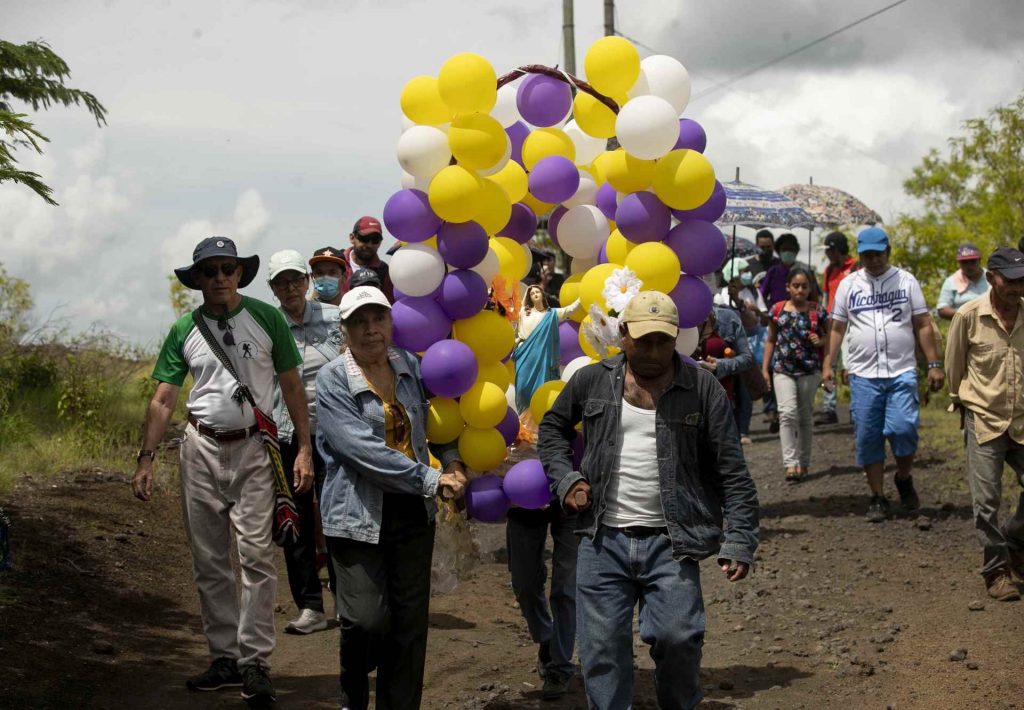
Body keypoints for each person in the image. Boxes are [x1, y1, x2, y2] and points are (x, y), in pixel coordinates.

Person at [537, 291, 759, 710]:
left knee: (679, 639)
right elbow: (551, 431)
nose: (654, 351)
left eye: (663, 340)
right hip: (603, 539)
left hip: (672, 543)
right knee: (602, 655)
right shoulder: (591, 380)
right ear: (623, 335)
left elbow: (733, 470)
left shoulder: (702, 389)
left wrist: (740, 538)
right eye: (644, 341)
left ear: (677, 337)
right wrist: (567, 481)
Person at [131, 237, 313, 705]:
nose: (218, 278)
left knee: (255, 555)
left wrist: (304, 449)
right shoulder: (184, 329)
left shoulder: (266, 318)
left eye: (226, 268)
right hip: (199, 449)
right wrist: (146, 458)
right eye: (209, 270)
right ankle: (224, 658)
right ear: (197, 279)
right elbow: (164, 397)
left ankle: (255, 662)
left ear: (239, 272)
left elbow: (292, 386)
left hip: (254, 448)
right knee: (209, 560)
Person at [316, 286, 467, 710]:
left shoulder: (413, 367)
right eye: (358, 322)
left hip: (412, 513)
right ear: (343, 329)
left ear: (390, 322)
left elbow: (443, 422)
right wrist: (432, 480)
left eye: (378, 319)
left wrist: (453, 462)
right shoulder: (332, 380)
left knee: (408, 626)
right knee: (366, 620)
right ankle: (354, 693)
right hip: (356, 513)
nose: (370, 330)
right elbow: (359, 450)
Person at [822, 227, 945, 523]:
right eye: (867, 255)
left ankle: (903, 477)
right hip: (863, 374)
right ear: (860, 256)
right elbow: (837, 328)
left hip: (901, 370)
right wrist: (829, 363)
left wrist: (934, 363)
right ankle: (877, 496)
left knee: (904, 430)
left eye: (878, 254)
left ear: (888, 251)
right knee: (868, 437)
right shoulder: (849, 285)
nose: (874, 260)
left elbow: (923, 323)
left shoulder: (906, 281)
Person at [267, 250, 343, 634]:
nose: (290, 288)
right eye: (282, 282)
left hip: (337, 433)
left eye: (296, 280)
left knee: (340, 516)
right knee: (295, 519)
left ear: (307, 281)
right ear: (272, 289)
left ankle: (347, 600)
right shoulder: (266, 326)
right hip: (287, 435)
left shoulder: (335, 318)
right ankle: (311, 606)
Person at [945, 246, 1024, 601]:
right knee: (986, 502)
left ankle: (1017, 540)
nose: (1016, 287)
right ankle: (996, 572)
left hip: (1022, 420)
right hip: (985, 419)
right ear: (993, 278)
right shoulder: (968, 316)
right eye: (1010, 279)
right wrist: (960, 404)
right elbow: (954, 366)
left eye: (1022, 280)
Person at [762, 268, 829, 482]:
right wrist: (765, 368)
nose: (800, 290)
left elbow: (829, 337)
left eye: (804, 286)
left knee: (805, 416)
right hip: (783, 369)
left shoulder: (817, 311)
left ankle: (804, 462)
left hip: (809, 370)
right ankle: (790, 464)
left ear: (810, 288)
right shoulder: (777, 310)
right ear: (788, 287)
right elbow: (771, 339)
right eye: (796, 286)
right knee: (787, 414)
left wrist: (821, 341)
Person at [512, 284, 581, 413]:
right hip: (524, 354)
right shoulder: (523, 313)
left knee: (540, 386)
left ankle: (537, 417)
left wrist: (582, 296)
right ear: (529, 297)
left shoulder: (552, 314)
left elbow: (570, 310)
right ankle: (523, 419)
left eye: (537, 292)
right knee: (522, 388)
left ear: (543, 295)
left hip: (542, 356)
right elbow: (511, 319)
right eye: (532, 293)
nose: (535, 295)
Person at [816, 231, 859, 425]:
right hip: (833, 322)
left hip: (852, 322)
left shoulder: (856, 267)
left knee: (850, 365)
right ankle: (829, 407)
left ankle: (855, 408)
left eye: (831, 250)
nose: (828, 255)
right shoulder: (829, 270)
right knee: (830, 363)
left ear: (839, 249)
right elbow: (826, 296)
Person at [345, 216, 394, 302]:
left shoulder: (385, 272)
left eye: (375, 240)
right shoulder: (337, 262)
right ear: (352, 238)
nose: (369, 245)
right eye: (364, 239)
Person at [937, 243, 989, 320]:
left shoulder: (991, 278)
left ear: (979, 260)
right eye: (964, 262)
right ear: (959, 263)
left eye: (972, 261)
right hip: (964, 327)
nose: (969, 266)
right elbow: (942, 309)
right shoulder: (951, 281)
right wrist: (966, 314)